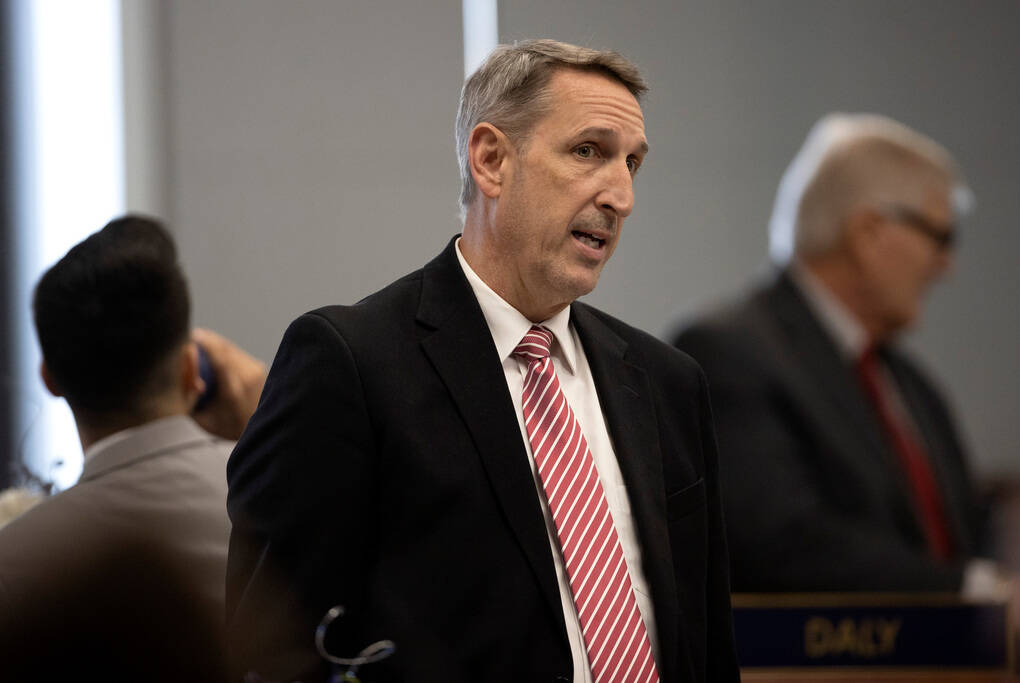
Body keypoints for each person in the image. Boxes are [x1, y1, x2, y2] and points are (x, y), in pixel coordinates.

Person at [227, 39, 739, 682]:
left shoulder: (668, 383)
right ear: (492, 159)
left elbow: (709, 644)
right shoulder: (350, 364)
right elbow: (271, 651)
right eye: (589, 152)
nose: (622, 196)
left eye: (632, 163)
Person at [672, 113, 989, 593]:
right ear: (869, 232)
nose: (945, 266)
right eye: (939, 237)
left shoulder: (907, 381)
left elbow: (964, 529)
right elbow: (780, 542)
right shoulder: (725, 353)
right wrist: (969, 590)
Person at [0, 215, 267, 681]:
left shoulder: (15, 561)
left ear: (50, 379)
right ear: (190, 369)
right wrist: (268, 431)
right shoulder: (279, 500)